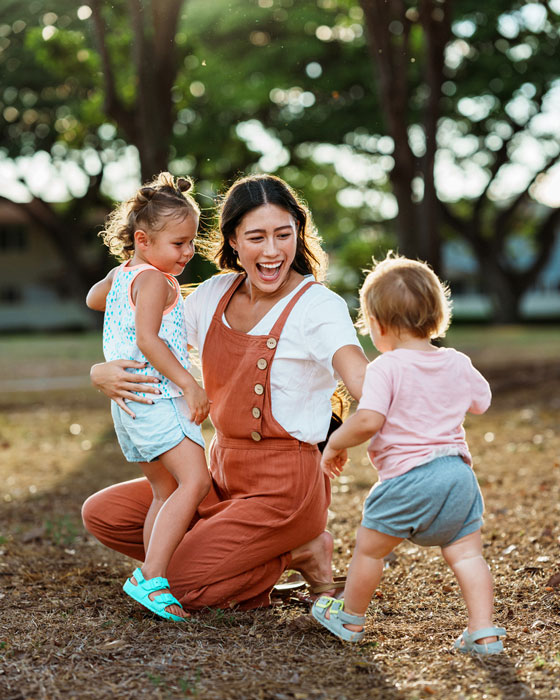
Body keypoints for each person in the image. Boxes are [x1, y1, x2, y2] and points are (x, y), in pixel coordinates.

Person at [82, 173, 369, 613]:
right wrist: (100, 372)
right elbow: (137, 315)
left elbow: (360, 377)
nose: (272, 251)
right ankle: (235, 552)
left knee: (178, 584)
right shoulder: (213, 294)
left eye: (283, 235)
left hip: (283, 491)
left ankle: (299, 548)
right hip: (219, 477)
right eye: (256, 237)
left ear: (299, 233)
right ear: (233, 240)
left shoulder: (319, 306)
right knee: (104, 514)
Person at [312, 254, 506, 655]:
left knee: (369, 549)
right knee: (469, 556)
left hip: (408, 480)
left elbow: (367, 421)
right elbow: (481, 401)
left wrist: (334, 444)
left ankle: (349, 618)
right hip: (457, 476)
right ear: (437, 316)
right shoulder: (456, 361)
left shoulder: (386, 368)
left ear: (379, 325)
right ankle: (484, 632)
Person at [85, 172, 211, 621]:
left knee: (164, 489)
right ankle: (152, 576)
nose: (188, 252)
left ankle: (148, 573)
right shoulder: (156, 281)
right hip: (158, 398)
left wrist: (123, 270)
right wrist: (192, 383)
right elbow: (150, 340)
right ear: (142, 239)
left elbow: (92, 298)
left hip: (129, 406)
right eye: (178, 243)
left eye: (191, 242)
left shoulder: (125, 275)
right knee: (195, 482)